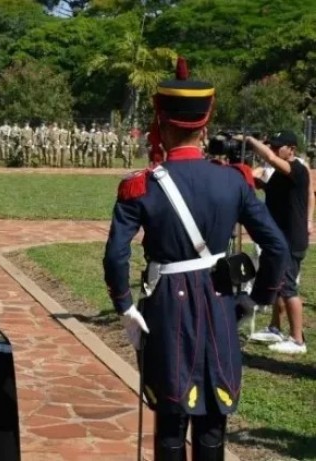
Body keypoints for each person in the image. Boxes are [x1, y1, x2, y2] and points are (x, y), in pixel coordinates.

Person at [102, 58, 289, 460]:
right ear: (204, 127)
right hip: (221, 300)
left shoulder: (140, 186)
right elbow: (277, 247)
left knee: (170, 422)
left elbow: (116, 255)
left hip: (167, 306)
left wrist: (126, 308)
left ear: (161, 123)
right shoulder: (233, 180)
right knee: (213, 420)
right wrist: (256, 300)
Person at [248, 131, 310, 354]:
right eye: (272, 146)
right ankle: (275, 327)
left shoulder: (298, 170)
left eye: (278, 146)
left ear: (291, 149)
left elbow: (271, 159)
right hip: (280, 237)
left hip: (291, 238)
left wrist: (250, 141)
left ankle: (297, 341)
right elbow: (266, 187)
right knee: (279, 283)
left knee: (288, 287)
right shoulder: (280, 174)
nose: (273, 150)